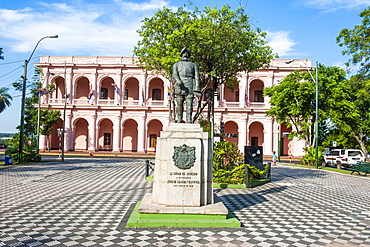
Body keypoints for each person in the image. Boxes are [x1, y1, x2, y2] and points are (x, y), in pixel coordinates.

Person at [172, 48, 201, 123]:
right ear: (181, 55)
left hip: (190, 84)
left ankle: (189, 119)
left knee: (189, 104)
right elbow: (174, 74)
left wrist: (197, 88)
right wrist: (178, 80)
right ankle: (179, 118)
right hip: (180, 85)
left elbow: (197, 77)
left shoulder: (194, 65)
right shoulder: (176, 65)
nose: (185, 54)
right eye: (184, 53)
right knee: (179, 104)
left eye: (187, 53)